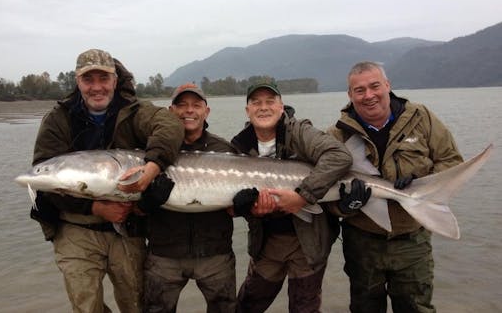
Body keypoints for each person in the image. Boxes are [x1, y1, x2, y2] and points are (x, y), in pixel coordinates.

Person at [29, 48, 184, 313]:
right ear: (78, 82)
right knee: (85, 305)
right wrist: (94, 208)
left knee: (135, 303)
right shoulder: (58, 119)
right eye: (89, 80)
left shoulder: (134, 111)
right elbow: (43, 178)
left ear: (115, 80)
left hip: (127, 225)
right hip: (75, 226)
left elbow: (170, 125)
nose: (97, 87)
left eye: (104, 79)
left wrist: (153, 165)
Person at [325, 61, 464, 312]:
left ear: (388, 86)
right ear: (350, 95)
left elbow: (451, 162)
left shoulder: (421, 118)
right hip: (362, 242)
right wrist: (345, 206)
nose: (369, 95)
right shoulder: (337, 135)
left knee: (416, 308)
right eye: (359, 90)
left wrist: (421, 183)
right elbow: (321, 192)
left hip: (412, 240)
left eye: (375, 86)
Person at [231, 82, 353, 313]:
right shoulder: (239, 146)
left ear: (281, 107)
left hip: (308, 242)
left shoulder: (299, 132)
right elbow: (237, 203)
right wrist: (249, 210)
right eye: (256, 103)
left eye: (270, 102)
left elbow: (339, 156)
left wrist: (301, 197)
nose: (263, 107)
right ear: (247, 110)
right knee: (246, 306)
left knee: (304, 309)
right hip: (268, 244)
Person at [142, 83, 238, 313]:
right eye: (182, 105)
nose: (189, 110)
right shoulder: (152, 149)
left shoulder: (225, 149)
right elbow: (134, 202)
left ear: (207, 111)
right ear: (170, 111)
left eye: (196, 105)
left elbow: (237, 204)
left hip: (215, 253)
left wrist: (243, 206)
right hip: (164, 254)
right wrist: (148, 200)